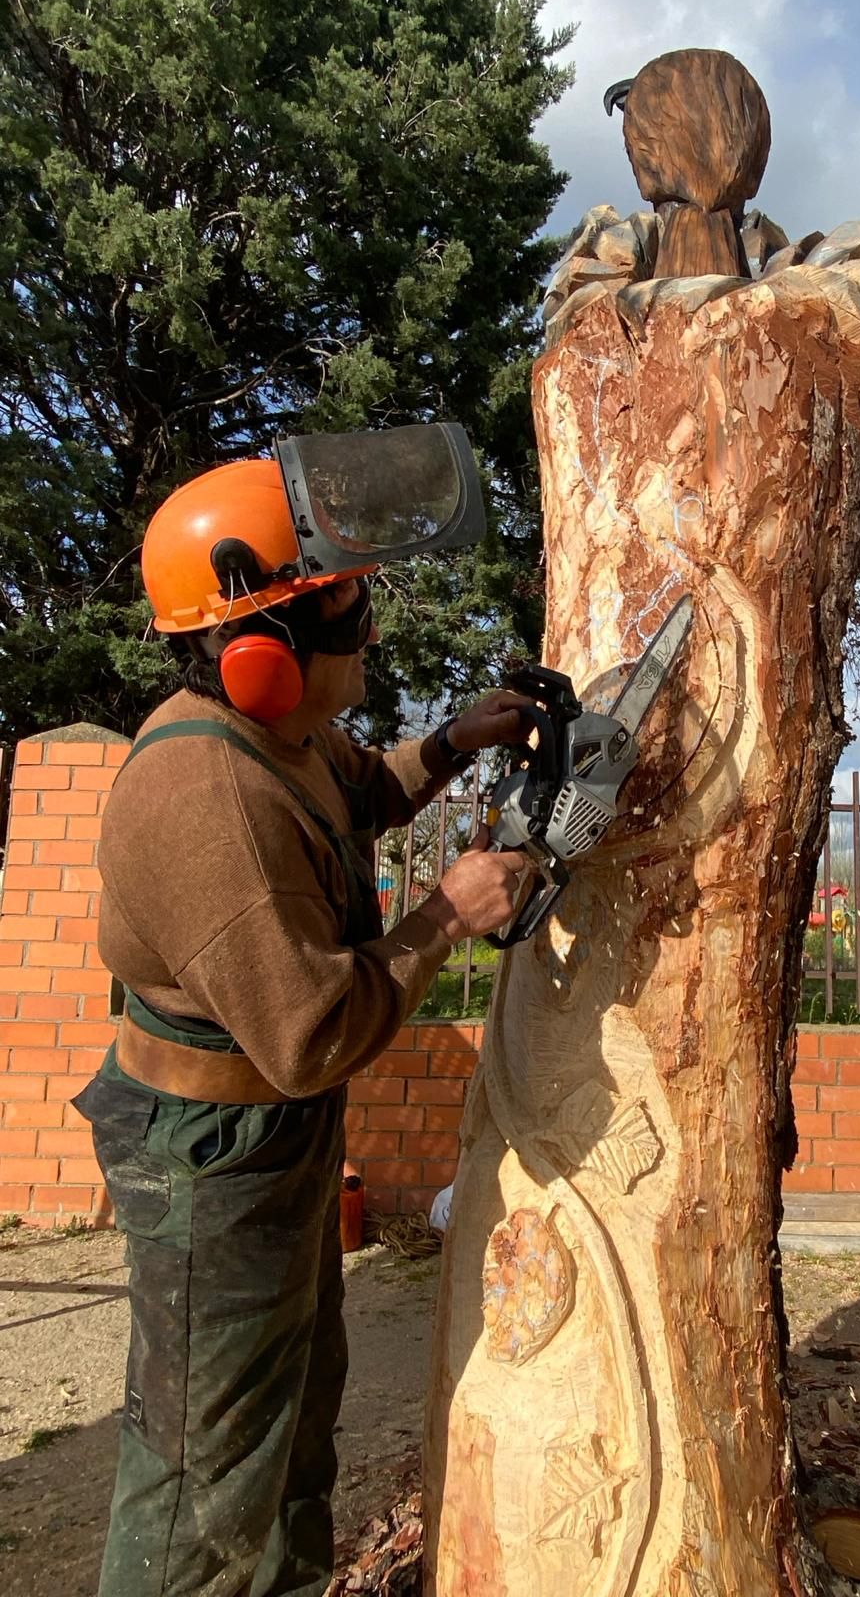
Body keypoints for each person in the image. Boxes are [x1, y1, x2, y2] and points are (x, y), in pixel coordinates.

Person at [74, 438, 530, 1597]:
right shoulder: (207, 795)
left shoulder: (284, 739)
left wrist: (453, 742)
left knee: (290, 1415)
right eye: (344, 613)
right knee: (205, 1473)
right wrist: (445, 914)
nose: (368, 630)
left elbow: (359, 789)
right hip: (212, 1159)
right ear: (262, 651)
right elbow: (313, 1033)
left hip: (271, 1139)